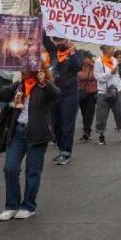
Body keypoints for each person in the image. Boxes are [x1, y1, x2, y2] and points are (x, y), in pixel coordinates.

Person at [0, 65, 60, 222]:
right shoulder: (19, 85)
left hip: (37, 134)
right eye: (22, 68)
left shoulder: (43, 86)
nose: (23, 70)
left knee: (32, 171)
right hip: (17, 132)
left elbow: (55, 95)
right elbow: (0, 95)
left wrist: (44, 82)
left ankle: (28, 206)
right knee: (10, 168)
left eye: (26, 68)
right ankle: (11, 206)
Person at [42, 36, 85, 166]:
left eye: (61, 40)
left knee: (67, 123)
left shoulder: (76, 53)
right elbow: (44, 38)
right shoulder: (53, 53)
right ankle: (61, 149)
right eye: (56, 40)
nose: (58, 43)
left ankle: (66, 151)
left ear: (66, 40)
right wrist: (41, 16)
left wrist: (72, 53)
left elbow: (78, 67)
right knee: (55, 123)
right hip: (54, 94)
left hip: (69, 95)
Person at [93, 45, 121, 144]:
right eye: (111, 48)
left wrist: (120, 87)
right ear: (106, 50)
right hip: (103, 92)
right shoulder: (99, 62)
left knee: (119, 113)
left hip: (115, 91)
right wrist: (109, 73)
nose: (114, 49)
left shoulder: (114, 60)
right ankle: (101, 135)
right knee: (102, 115)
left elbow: (117, 76)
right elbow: (98, 77)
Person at [78, 54, 98, 142]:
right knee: (84, 111)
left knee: (90, 111)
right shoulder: (78, 67)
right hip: (81, 92)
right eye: (86, 58)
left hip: (92, 92)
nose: (88, 60)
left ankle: (87, 131)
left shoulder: (95, 67)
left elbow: (98, 77)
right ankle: (86, 128)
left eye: (89, 58)